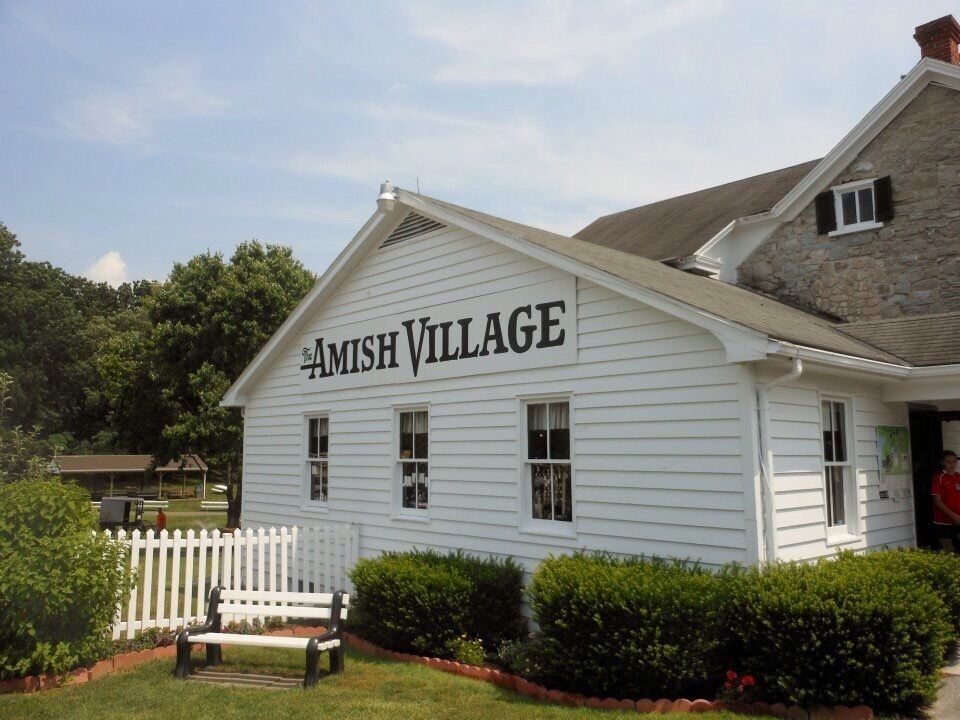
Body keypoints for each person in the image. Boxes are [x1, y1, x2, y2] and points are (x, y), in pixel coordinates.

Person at [931, 450, 960, 551]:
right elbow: (937, 501)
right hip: (943, 520)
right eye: (948, 462)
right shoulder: (939, 477)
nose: (952, 464)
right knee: (948, 549)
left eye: (954, 461)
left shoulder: (958, 476)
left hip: (958, 517)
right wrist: (954, 516)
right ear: (942, 462)